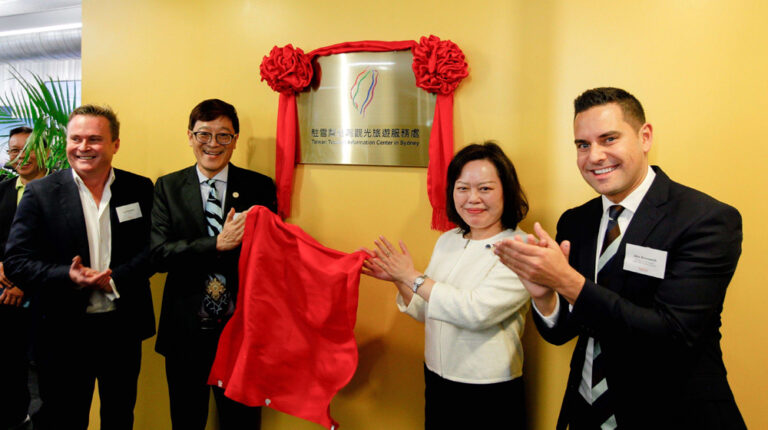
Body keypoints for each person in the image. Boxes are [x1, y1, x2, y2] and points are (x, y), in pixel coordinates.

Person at [494, 87, 746, 429]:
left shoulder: (705, 220)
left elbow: (673, 335)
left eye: (609, 139)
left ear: (645, 137)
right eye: (582, 145)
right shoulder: (576, 222)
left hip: (673, 414)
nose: (594, 156)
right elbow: (564, 332)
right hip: (585, 412)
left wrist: (566, 281)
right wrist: (545, 297)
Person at [3, 105, 155, 430]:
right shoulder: (40, 193)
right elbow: (16, 261)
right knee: (64, 420)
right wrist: (66, 275)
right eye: (76, 139)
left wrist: (115, 279)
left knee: (119, 417)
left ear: (115, 144)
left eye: (94, 139)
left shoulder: (139, 188)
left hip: (122, 329)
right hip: (62, 332)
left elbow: (152, 249)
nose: (83, 147)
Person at [363, 141, 531, 429]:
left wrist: (412, 277)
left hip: (488, 388)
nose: (472, 198)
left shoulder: (521, 248)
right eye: (462, 188)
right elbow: (426, 309)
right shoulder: (448, 240)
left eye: (485, 188)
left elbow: (476, 312)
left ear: (507, 190)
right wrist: (400, 279)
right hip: (437, 378)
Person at [151, 98, 276, 430]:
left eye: (224, 135)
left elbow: (271, 257)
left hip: (241, 331)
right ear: (190, 136)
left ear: (235, 140)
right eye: (204, 134)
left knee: (241, 422)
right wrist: (215, 243)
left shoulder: (259, 187)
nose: (213, 144)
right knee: (186, 420)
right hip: (185, 330)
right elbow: (159, 254)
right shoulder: (168, 187)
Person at [0, 126, 47, 430]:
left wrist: (22, 282)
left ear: (45, 151)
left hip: (46, 293)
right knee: (9, 362)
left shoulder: (61, 190)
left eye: (29, 149)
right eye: (15, 150)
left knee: (48, 366)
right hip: (4, 294)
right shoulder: (2, 190)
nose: (22, 156)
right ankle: (15, 417)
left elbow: (60, 244)